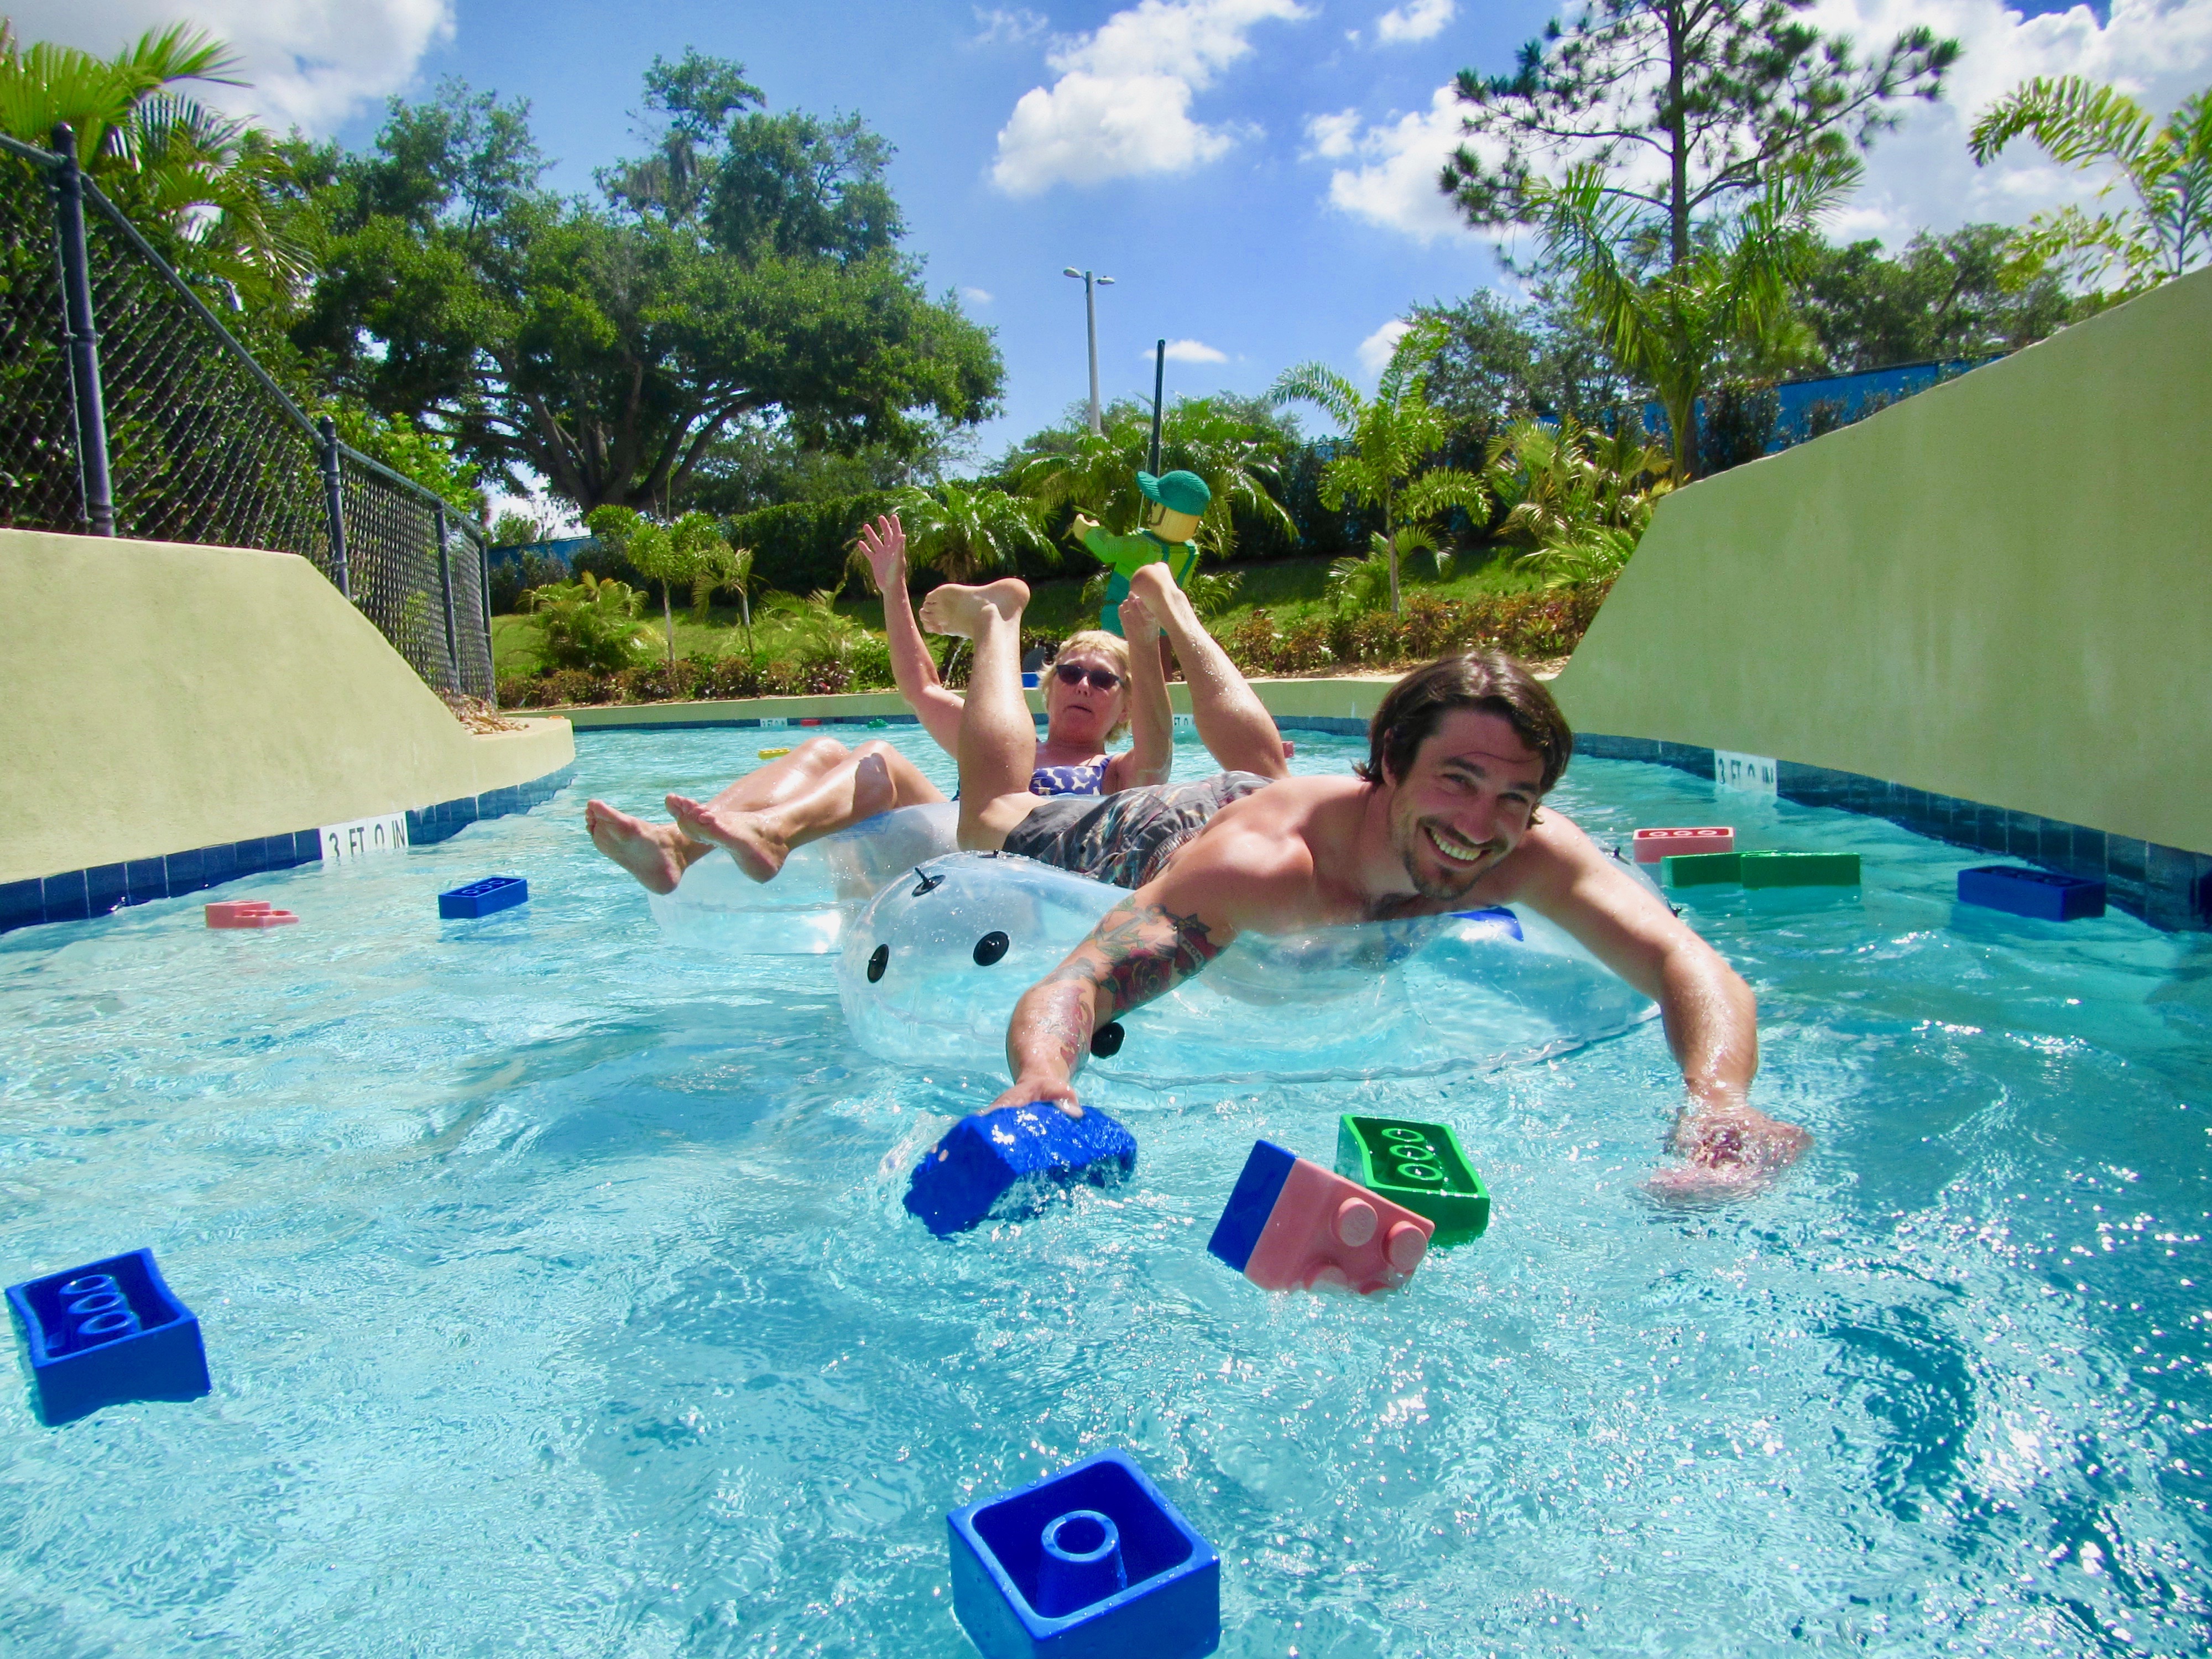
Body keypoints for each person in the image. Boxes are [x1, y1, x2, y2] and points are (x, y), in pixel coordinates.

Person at [927, 561, 1809, 1201]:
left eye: (1514, 796)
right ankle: (1002, 622)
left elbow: (1690, 964)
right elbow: (1079, 980)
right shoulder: (1264, 873)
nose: (1478, 826)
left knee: (1269, 766)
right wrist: (1043, 1073)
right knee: (992, 817)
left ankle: (1173, 610)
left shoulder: (1523, 847)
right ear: (1388, 760)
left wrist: (1721, 1103)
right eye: (1456, 780)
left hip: (1288, 802)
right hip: (1168, 834)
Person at [581, 513, 1173, 892]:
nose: (1084, 685)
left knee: (884, 759)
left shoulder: (1115, 774)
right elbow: (919, 686)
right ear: (1048, 686)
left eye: (1105, 681)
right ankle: (675, 846)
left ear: (1125, 707)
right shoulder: (997, 738)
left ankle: (772, 834)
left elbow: (1157, 758)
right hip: (948, 857)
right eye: (1071, 672)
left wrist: (1146, 655)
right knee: (824, 750)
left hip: (1017, 881)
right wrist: (893, 588)